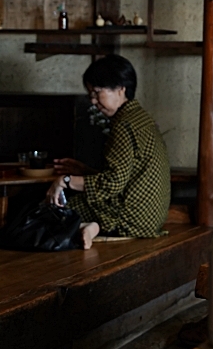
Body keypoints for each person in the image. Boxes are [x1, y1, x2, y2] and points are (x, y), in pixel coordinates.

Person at [47, 54, 171, 249]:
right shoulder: (139, 117)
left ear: (121, 89)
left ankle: (94, 226)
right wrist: (85, 171)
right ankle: (92, 226)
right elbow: (125, 177)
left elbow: (112, 184)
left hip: (132, 218)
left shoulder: (123, 125)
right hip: (151, 215)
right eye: (90, 94)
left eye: (97, 92)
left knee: (55, 211)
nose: (93, 101)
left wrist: (64, 181)